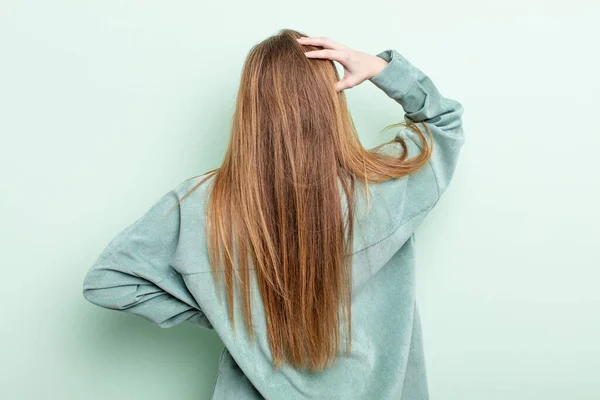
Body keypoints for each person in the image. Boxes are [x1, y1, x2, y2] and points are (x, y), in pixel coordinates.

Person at [82, 28, 465, 400]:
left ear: (249, 106)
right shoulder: (384, 185)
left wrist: (227, 312)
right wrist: (380, 68)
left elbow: (108, 282)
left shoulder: (200, 204)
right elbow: (444, 123)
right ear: (329, 101)